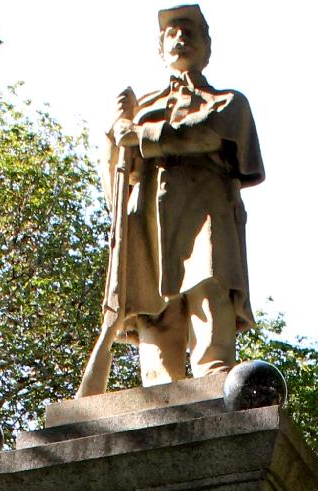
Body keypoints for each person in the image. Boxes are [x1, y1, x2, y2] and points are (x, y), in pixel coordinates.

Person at [77, 5, 264, 395]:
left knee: (209, 294)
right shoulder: (141, 109)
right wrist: (113, 139)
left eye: (190, 32)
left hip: (205, 213)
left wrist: (138, 136)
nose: (180, 38)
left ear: (207, 47)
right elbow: (115, 182)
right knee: (154, 315)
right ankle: (158, 401)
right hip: (148, 220)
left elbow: (206, 134)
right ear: (160, 48)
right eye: (171, 33)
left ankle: (215, 388)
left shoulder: (228, 102)